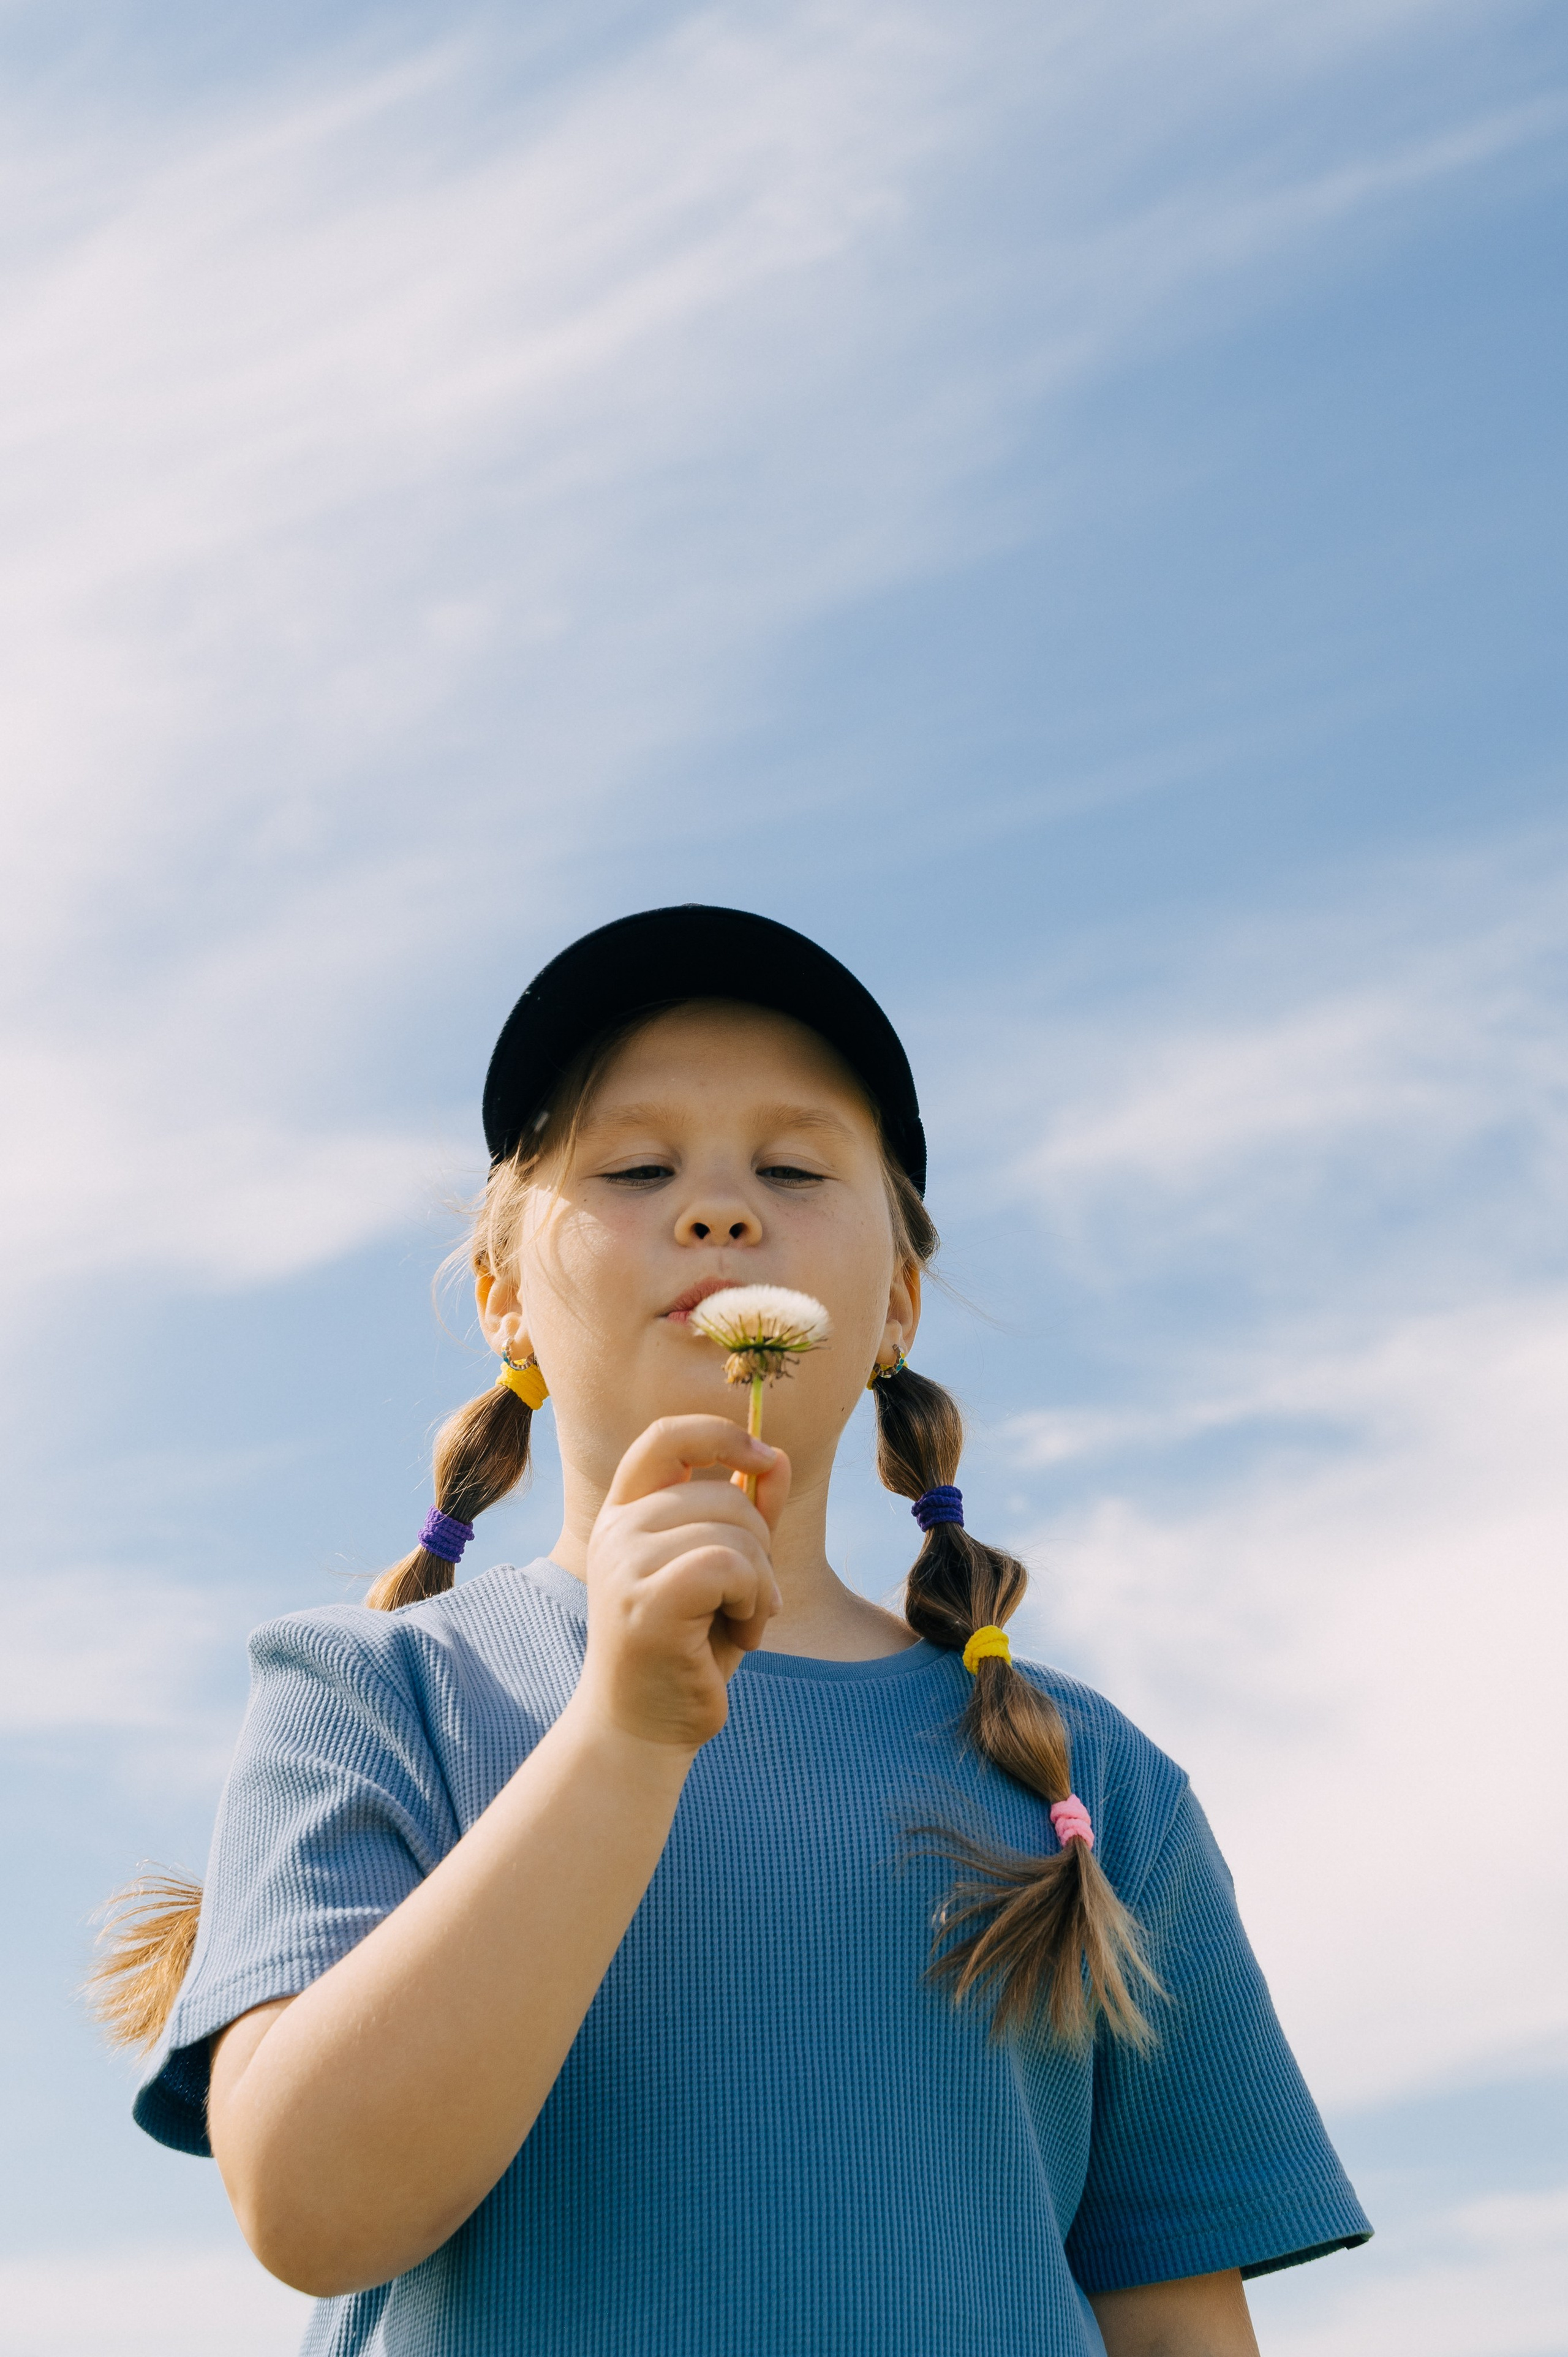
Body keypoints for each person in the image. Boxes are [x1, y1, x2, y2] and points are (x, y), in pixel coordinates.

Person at [97, 905, 1371, 2356]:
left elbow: (1173, 2318)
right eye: (635, 1169)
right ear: (501, 1295)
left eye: (792, 1169)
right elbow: (313, 2210)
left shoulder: (1095, 1779)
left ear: (894, 1306)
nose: (716, 1211)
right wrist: (622, 1733)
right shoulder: (370, 1695)